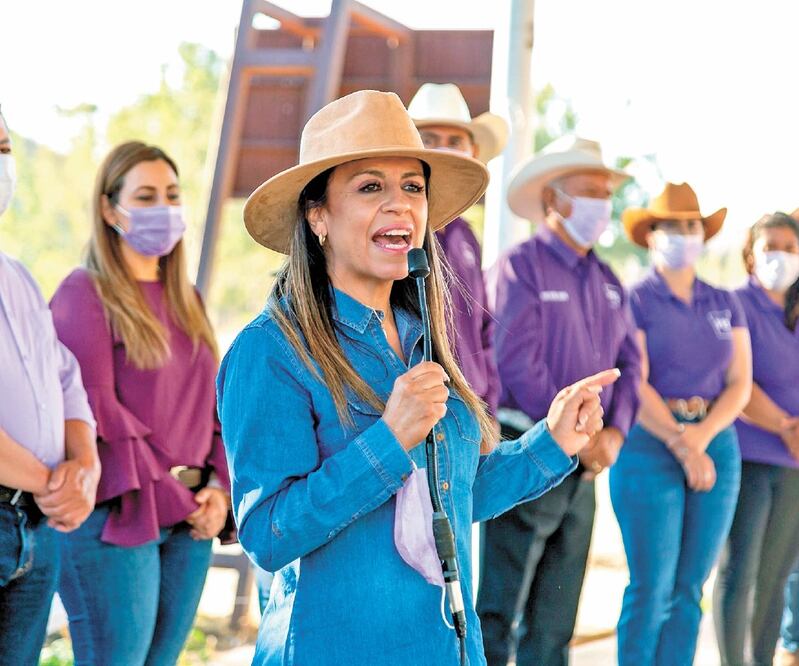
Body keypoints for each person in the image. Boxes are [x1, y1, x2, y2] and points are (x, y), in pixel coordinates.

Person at [217, 90, 619, 665]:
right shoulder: (270, 351)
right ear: (318, 215)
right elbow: (269, 534)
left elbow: (450, 497)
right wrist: (389, 439)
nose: (399, 205)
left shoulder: (423, 337)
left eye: (413, 187)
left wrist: (551, 442)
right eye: (370, 187)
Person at [49, 141, 232, 665]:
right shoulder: (85, 294)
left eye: (172, 195)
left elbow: (212, 409)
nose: (163, 207)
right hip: (116, 516)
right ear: (110, 209)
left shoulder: (187, 299)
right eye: (146, 195)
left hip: (191, 517)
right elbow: (96, 416)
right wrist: (184, 498)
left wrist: (217, 490)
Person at [477, 136, 641, 666]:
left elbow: (632, 362)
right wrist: (575, 434)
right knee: (500, 608)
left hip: (587, 467)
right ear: (554, 200)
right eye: (589, 191)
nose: (602, 203)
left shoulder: (608, 278)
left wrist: (612, 432)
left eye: (606, 192)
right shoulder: (519, 267)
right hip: (526, 451)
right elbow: (516, 361)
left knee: (557, 613)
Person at [610, 182, 752, 665]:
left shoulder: (723, 301)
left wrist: (702, 438)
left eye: (690, 226)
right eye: (670, 226)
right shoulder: (635, 299)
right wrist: (679, 441)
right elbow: (636, 379)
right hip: (648, 446)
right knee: (651, 587)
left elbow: (739, 383)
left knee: (690, 588)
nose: (681, 235)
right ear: (650, 235)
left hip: (715, 442)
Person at [0, 106, 99, 666]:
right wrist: (53, 482)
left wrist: (83, 465)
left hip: (35, 529)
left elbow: (64, 377)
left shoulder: (16, 275)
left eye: (4, 147)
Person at [713, 212, 799, 666]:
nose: (780, 256)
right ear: (751, 254)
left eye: (790, 247)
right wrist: (787, 426)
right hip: (748, 457)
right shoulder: (735, 304)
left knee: (776, 574)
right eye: (771, 247)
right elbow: (738, 381)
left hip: (793, 467)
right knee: (739, 572)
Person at [407, 82, 507, 414]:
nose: (443, 151)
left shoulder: (467, 237)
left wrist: (488, 408)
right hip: (418, 413)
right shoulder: (395, 233)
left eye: (454, 142)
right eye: (429, 140)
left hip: (471, 412)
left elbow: (484, 330)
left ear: (472, 154)